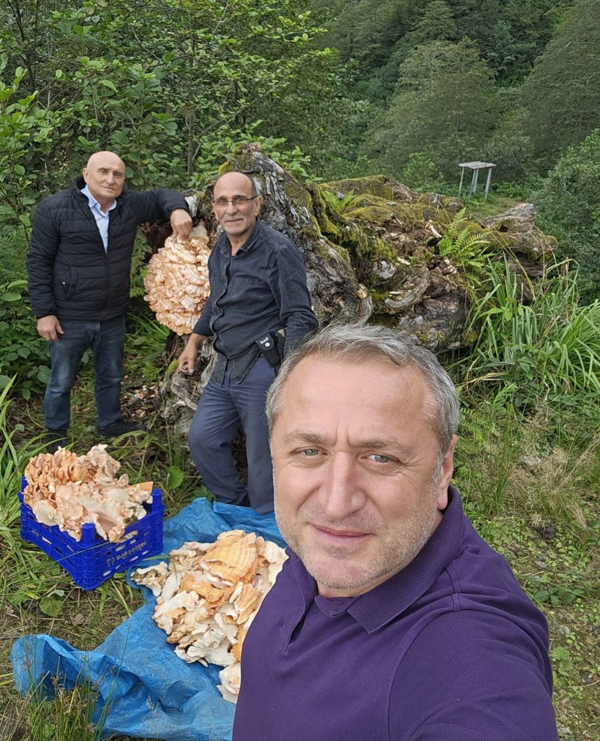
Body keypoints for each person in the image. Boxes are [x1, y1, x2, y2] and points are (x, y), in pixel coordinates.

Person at [233, 323, 559, 740]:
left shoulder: (469, 654)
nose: (336, 504)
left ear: (442, 469)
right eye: (310, 451)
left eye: (380, 458)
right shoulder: (339, 547)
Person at [27, 150, 192, 451]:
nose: (110, 179)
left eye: (117, 174)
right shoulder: (55, 209)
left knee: (111, 374)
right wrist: (44, 312)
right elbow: (38, 262)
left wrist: (177, 209)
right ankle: (55, 437)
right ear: (86, 174)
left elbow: (162, 195)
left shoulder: (128, 205)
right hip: (69, 315)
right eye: (103, 171)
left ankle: (109, 423)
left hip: (113, 313)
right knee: (61, 380)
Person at [178, 171, 318, 514]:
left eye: (240, 199)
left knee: (262, 461)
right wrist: (194, 339)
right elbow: (216, 298)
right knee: (203, 440)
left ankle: (271, 526)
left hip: (261, 367)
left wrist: (291, 377)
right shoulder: (221, 247)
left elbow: (300, 316)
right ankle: (236, 510)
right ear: (214, 208)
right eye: (223, 201)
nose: (232, 209)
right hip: (224, 364)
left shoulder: (278, 251)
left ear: (257, 204)